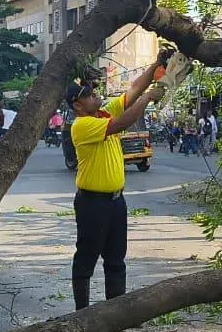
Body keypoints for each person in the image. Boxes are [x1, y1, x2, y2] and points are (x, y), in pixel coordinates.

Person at [66, 60, 163, 310]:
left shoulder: (104, 112)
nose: (94, 94)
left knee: (116, 259)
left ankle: (115, 313)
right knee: (86, 258)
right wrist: (149, 98)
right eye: (87, 94)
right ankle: (82, 315)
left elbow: (132, 91)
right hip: (92, 203)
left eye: (93, 91)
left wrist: (155, 66)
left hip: (115, 201)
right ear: (77, 105)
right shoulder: (83, 125)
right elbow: (123, 122)